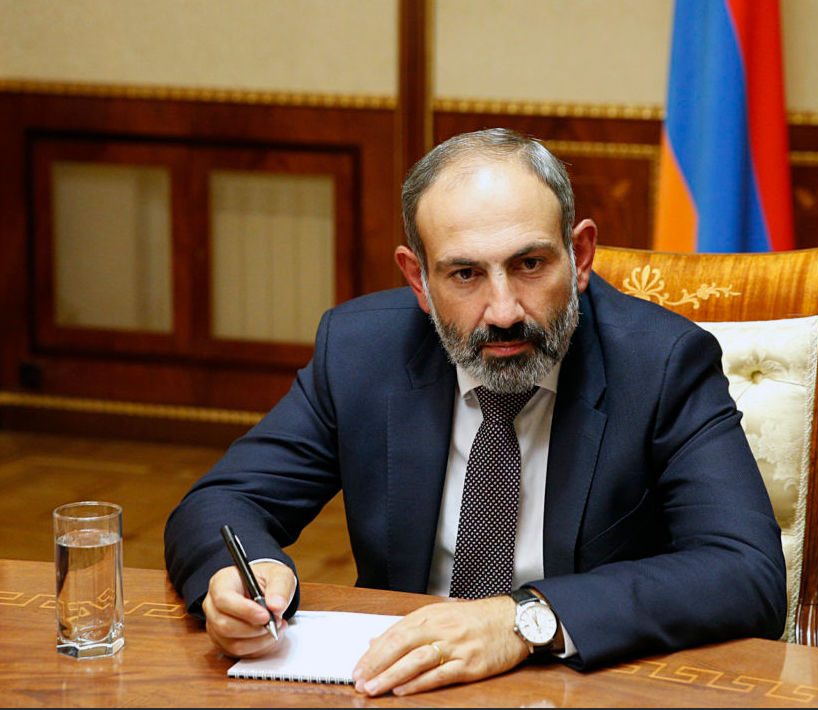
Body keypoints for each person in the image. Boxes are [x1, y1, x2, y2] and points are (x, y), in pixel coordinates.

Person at [164, 127, 786, 697]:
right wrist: (245, 576)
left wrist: (524, 620)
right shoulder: (359, 351)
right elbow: (222, 502)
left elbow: (745, 572)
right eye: (465, 274)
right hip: (401, 683)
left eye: (530, 264)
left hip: (582, 684)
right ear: (418, 280)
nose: (505, 311)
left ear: (580, 255)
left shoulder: (662, 363)